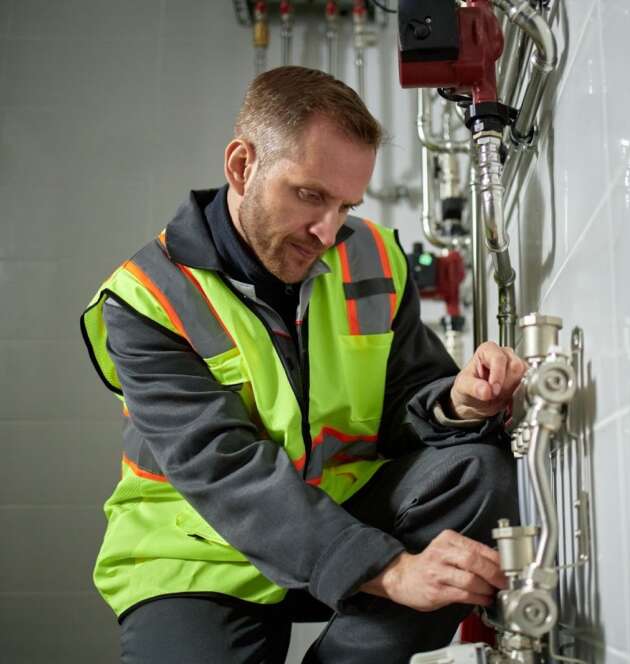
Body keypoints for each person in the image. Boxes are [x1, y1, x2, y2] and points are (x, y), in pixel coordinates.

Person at [80, 65, 526, 663]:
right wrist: (388, 569)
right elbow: (225, 470)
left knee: (479, 472)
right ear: (242, 165)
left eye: (345, 205)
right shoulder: (147, 300)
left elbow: (406, 398)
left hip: (345, 508)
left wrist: (456, 403)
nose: (327, 230)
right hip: (196, 549)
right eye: (310, 195)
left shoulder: (369, 256)